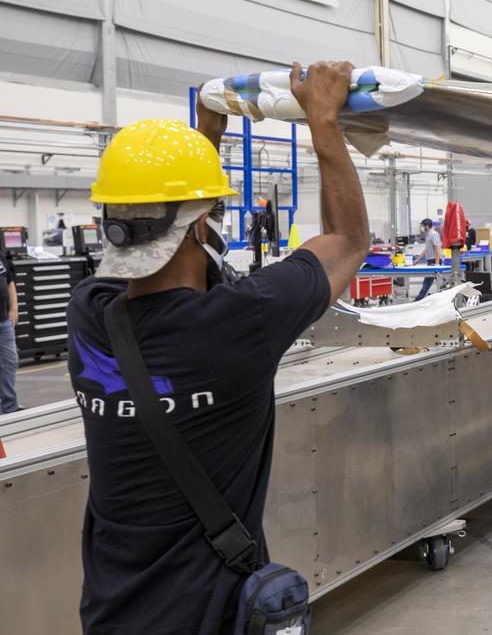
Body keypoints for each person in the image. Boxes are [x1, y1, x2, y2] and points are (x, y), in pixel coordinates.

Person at [67, 61, 369, 634]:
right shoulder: (240, 323)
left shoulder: (88, 316)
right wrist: (323, 119)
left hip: (109, 615)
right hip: (208, 618)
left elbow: (162, 234)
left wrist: (202, 141)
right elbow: (349, 241)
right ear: (203, 224)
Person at [0, 250, 21, 413]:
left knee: (10, 362)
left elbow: (9, 281)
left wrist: (14, 308)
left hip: (3, 321)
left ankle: (9, 406)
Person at [413, 218, 443, 301]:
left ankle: (418, 300)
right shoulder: (428, 234)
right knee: (430, 282)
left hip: (434, 261)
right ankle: (419, 299)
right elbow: (426, 249)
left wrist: (437, 263)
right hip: (431, 261)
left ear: (427, 226)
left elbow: (437, 247)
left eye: (423, 226)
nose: (422, 228)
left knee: (429, 282)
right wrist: (417, 260)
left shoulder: (434, 234)